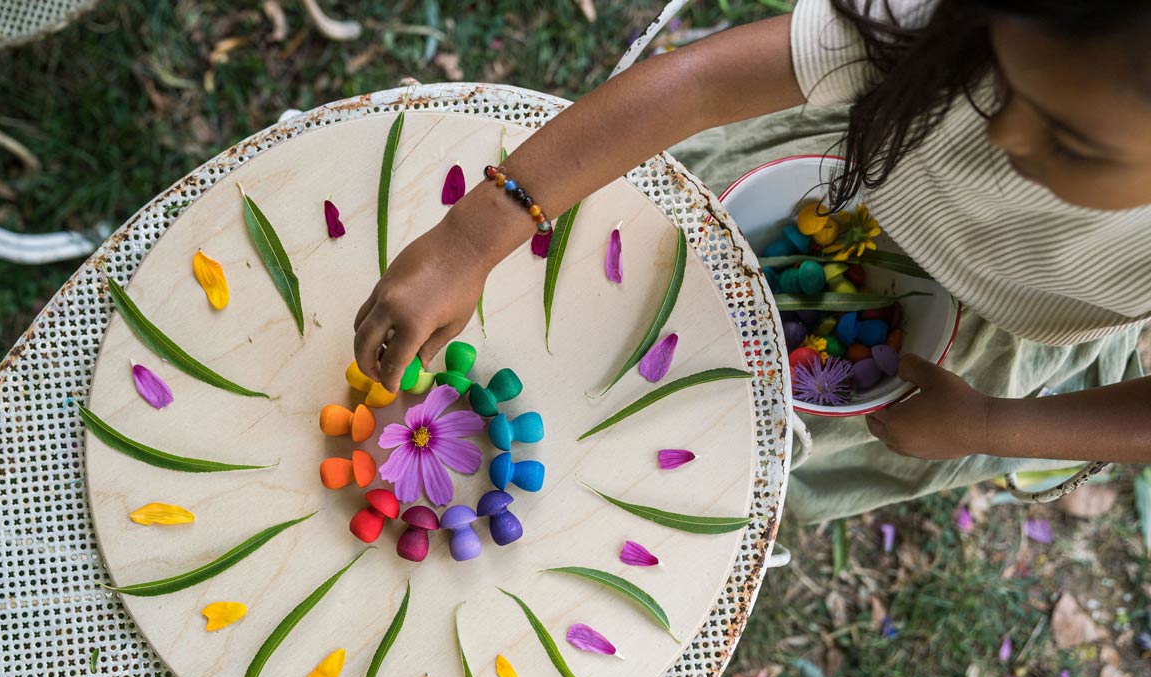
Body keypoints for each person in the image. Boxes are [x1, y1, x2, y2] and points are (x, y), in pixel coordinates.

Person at [353, 0, 1151, 524]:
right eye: (998, 79)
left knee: (715, 454)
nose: (1006, 135)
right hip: (834, 181)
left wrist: (989, 424)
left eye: (1070, 140)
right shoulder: (993, 18)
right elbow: (699, 86)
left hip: (988, 334)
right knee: (589, 318)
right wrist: (475, 234)